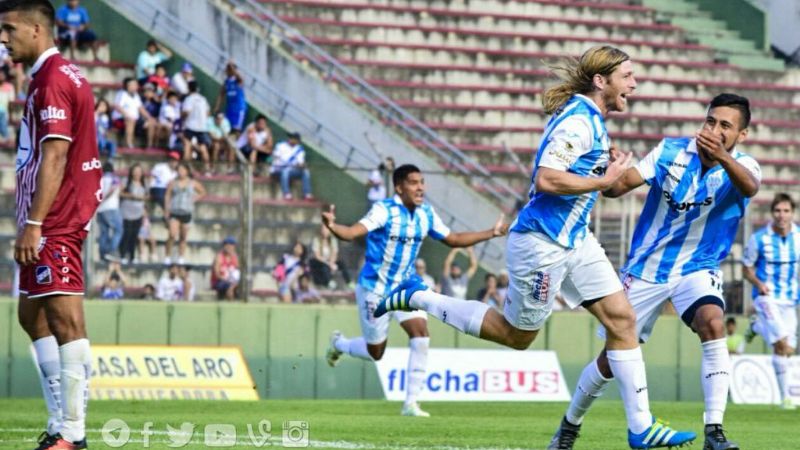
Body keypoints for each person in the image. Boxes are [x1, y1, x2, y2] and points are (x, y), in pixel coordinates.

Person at [374, 47, 695, 447]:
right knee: (517, 335)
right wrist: (600, 179)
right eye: (626, 75)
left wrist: (611, 172)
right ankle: (418, 296)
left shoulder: (594, 123)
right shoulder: (577, 123)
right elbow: (547, 179)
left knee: (622, 321)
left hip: (576, 240)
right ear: (601, 81)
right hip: (542, 243)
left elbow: (601, 185)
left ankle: (641, 428)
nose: (633, 83)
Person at [546, 93, 759, 450]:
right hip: (646, 269)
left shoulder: (744, 166)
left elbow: (750, 187)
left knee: (713, 322)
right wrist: (608, 171)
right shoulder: (669, 152)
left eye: (726, 126)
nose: (715, 130)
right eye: (711, 121)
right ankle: (569, 426)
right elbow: (617, 189)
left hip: (697, 267)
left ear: (742, 135)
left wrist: (722, 157)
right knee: (610, 361)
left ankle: (714, 431)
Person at [324, 164, 509, 417]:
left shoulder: (426, 214)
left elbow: (453, 239)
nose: (420, 187)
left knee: (421, 334)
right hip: (374, 289)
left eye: (422, 181)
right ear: (399, 187)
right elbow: (353, 232)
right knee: (375, 352)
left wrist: (492, 232)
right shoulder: (383, 210)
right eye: (413, 182)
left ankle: (410, 403)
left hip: (406, 287)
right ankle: (340, 344)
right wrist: (334, 227)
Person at [5, 1, 102, 448]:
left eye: (9, 29)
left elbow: (57, 154)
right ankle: (60, 422)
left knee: (65, 321)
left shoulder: (52, 81)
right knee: (32, 315)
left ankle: (74, 435)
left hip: (55, 218)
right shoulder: (62, 75)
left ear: (37, 29)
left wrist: (35, 222)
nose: (3, 39)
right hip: (49, 215)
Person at [742, 192, 800, 410]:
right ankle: (785, 398)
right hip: (767, 298)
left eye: (786, 211)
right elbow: (746, 269)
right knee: (782, 343)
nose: (781, 215)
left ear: (792, 213)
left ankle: (757, 326)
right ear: (771, 213)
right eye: (777, 210)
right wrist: (758, 284)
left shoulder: (799, 237)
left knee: (787, 350)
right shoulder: (759, 239)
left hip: (790, 300)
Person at [164, 162, 205, 265]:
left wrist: (195, 198)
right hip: (175, 211)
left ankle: (181, 256)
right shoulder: (173, 182)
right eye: (179, 170)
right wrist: (166, 209)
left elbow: (203, 192)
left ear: (187, 171)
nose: (180, 172)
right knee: (172, 234)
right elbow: (167, 195)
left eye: (183, 169)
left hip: (187, 211)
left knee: (183, 236)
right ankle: (168, 255)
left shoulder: (193, 183)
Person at [112, 77, 156, 148]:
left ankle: (150, 145)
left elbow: (141, 108)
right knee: (130, 120)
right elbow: (117, 106)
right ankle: (129, 144)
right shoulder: (122, 94)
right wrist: (127, 115)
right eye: (132, 85)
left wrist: (149, 117)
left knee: (151, 122)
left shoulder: (136, 95)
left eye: (135, 85)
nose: (134, 86)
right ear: (127, 86)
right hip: (121, 119)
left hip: (135, 119)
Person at [119, 164, 148, 264]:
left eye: (139, 171)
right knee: (126, 234)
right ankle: (123, 255)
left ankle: (132, 256)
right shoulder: (126, 182)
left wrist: (142, 199)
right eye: (135, 171)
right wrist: (130, 195)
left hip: (138, 213)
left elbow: (147, 196)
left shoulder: (144, 183)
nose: (137, 173)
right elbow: (120, 193)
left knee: (134, 235)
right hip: (126, 212)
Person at [181, 80, 212, 174]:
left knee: (187, 146)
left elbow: (186, 112)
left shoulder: (189, 99)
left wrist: (182, 117)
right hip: (202, 127)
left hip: (190, 126)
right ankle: (207, 170)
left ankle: (185, 169)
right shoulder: (203, 99)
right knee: (203, 149)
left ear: (189, 88)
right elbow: (208, 113)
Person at [309, 223, 351, 289]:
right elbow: (317, 256)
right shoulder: (316, 240)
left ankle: (349, 282)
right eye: (323, 229)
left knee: (342, 263)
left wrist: (332, 263)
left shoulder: (333, 240)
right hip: (321, 262)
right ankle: (329, 282)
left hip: (331, 261)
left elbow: (334, 253)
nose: (324, 231)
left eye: (326, 229)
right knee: (324, 266)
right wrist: (329, 264)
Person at [271, 132, 311, 200]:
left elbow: (300, 162)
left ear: (297, 141)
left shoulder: (299, 149)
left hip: (292, 170)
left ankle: (307, 194)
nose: (291, 140)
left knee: (305, 172)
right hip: (278, 169)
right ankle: (287, 194)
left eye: (294, 139)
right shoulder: (280, 145)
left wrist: (302, 165)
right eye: (291, 138)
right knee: (286, 171)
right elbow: (275, 157)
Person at [96, 161, 122, 261]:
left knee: (104, 232)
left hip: (100, 210)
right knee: (118, 230)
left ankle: (102, 255)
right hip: (111, 208)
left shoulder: (99, 179)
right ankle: (110, 251)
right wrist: (105, 198)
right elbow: (113, 188)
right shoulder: (114, 178)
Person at [214, 61, 247, 134]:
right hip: (230, 109)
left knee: (237, 130)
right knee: (227, 128)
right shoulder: (226, 82)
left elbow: (240, 77)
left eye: (228, 69)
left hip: (239, 109)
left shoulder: (238, 80)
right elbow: (221, 94)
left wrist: (231, 65)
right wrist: (217, 107)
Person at [148, 150, 179, 216]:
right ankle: (168, 214)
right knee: (164, 198)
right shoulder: (160, 166)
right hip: (158, 188)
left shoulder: (176, 173)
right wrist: (149, 189)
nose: (173, 162)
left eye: (175, 160)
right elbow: (152, 177)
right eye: (171, 159)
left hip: (169, 190)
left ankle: (169, 214)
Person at [211, 236, 240, 301]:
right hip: (219, 281)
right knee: (229, 287)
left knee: (239, 286)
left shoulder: (234, 257)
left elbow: (237, 272)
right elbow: (217, 275)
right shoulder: (219, 257)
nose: (229, 248)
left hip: (231, 281)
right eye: (227, 245)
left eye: (232, 245)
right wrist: (227, 280)